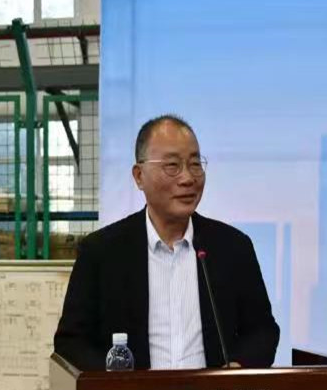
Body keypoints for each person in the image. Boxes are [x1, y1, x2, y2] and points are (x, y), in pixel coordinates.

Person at [54, 114, 280, 371]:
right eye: (172, 166)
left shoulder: (233, 247)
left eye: (195, 164)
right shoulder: (101, 252)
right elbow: (71, 342)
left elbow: (262, 331)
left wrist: (238, 368)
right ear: (139, 176)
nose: (188, 178)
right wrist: (116, 382)